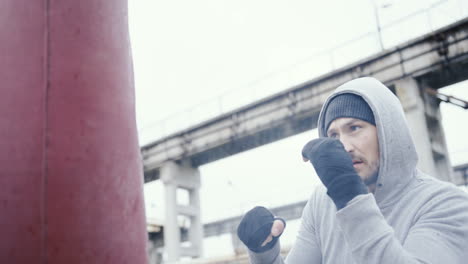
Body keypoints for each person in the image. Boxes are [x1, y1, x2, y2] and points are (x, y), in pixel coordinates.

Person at [236, 77, 468, 264]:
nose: (344, 147)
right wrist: (264, 254)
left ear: (388, 132)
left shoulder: (447, 204)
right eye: (334, 135)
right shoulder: (322, 202)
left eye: (354, 128)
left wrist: (350, 198)